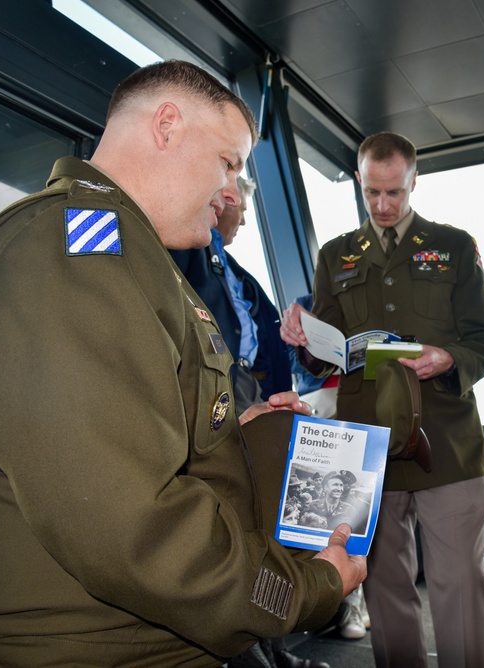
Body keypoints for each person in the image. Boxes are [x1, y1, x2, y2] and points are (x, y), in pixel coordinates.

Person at [0, 60, 365, 666]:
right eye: (228, 163)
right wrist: (306, 589)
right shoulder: (75, 254)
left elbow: (123, 447)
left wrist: (239, 433)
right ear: (166, 126)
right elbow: (128, 526)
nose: (231, 192)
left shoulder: (132, 261)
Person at [281, 131, 484, 667]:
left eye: (395, 194)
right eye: (372, 193)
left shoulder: (453, 247)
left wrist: (448, 359)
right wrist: (304, 340)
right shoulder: (335, 256)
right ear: (360, 181)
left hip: (446, 443)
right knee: (383, 586)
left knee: (459, 588)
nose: (383, 206)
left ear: (413, 182)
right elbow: (324, 356)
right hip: (367, 450)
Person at [170, 178, 328, 668]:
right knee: (231, 532)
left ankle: (271, 648)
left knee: (261, 526)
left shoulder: (233, 271)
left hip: (254, 406)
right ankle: (249, 651)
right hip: (215, 410)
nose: (236, 212)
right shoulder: (182, 257)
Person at [171, 175, 292, 413]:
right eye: (242, 210)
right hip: (216, 381)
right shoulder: (188, 249)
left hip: (245, 382)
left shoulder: (232, 268)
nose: (244, 221)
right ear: (222, 203)